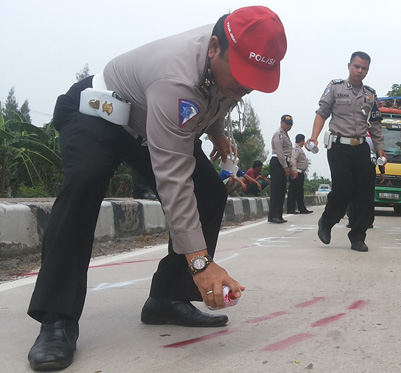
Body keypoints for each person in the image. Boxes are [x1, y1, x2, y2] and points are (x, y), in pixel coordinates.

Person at [26, 7, 286, 371]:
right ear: (214, 48)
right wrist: (201, 264)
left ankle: (168, 298)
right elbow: (172, 180)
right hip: (99, 112)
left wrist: (217, 132)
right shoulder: (176, 77)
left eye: (254, 81)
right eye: (241, 77)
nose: (244, 87)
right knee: (85, 181)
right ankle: (56, 319)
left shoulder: (229, 56)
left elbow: (219, 96)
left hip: (152, 122)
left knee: (209, 193)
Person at [307, 51, 385, 252]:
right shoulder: (335, 87)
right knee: (343, 189)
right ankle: (326, 222)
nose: (360, 71)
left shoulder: (370, 94)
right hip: (338, 147)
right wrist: (314, 136)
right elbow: (321, 113)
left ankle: (358, 236)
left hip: (360, 147)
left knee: (365, 192)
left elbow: (375, 125)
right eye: (357, 66)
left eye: (364, 68)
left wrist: (381, 150)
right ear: (349, 65)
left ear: (368, 70)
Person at [268, 114, 294, 223]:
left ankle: (278, 215)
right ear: (281, 122)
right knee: (276, 190)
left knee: (282, 190)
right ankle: (273, 215)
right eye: (287, 123)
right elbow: (279, 152)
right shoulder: (278, 135)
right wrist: (285, 167)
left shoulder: (286, 135)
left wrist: (289, 167)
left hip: (284, 163)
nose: (289, 126)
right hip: (278, 163)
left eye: (290, 124)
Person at [287, 134, 313, 214]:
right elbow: (293, 159)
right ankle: (291, 209)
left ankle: (302, 208)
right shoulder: (296, 149)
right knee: (293, 191)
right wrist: (294, 170)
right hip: (296, 172)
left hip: (300, 173)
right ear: (302, 140)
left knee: (299, 192)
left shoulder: (299, 149)